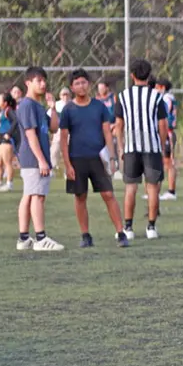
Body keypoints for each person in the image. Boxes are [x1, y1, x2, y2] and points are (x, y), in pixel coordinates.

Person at [60, 69, 129, 248]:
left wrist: (112, 158)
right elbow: (63, 139)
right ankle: (85, 235)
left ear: (89, 84)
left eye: (84, 82)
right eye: (77, 83)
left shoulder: (99, 106)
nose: (81, 86)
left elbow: (107, 131)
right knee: (80, 196)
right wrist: (67, 164)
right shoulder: (68, 110)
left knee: (108, 194)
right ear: (72, 87)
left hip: (98, 158)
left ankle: (121, 233)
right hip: (77, 158)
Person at [114, 59, 169, 240]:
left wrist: (121, 147)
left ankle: (128, 228)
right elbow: (162, 125)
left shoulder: (123, 96)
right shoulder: (157, 97)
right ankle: (151, 227)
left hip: (131, 147)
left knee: (131, 187)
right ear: (149, 75)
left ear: (132, 75)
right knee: (152, 188)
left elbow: (119, 125)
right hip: (151, 147)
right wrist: (160, 146)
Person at [15, 66, 64, 251]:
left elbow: (53, 128)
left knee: (29, 195)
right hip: (33, 158)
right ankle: (41, 237)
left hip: (34, 158)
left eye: (44, 80)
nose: (43, 84)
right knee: (38, 196)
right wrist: (42, 160)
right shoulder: (27, 105)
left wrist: (52, 108)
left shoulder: (38, 105)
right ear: (28, 83)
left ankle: (24, 239)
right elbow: (30, 135)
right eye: (38, 81)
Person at [153, 78, 178, 200]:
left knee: (169, 162)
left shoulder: (167, 99)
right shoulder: (166, 98)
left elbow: (164, 114)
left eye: (157, 87)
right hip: (165, 132)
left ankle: (171, 191)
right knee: (163, 162)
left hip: (168, 132)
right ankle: (156, 191)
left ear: (162, 87)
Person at [49, 86, 72, 173]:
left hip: (71, 132)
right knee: (54, 151)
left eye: (67, 94)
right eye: (63, 94)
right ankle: (51, 169)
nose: (65, 96)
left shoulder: (73, 104)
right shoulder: (56, 105)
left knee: (70, 153)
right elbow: (49, 117)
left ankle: (68, 171)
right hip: (58, 132)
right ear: (60, 95)